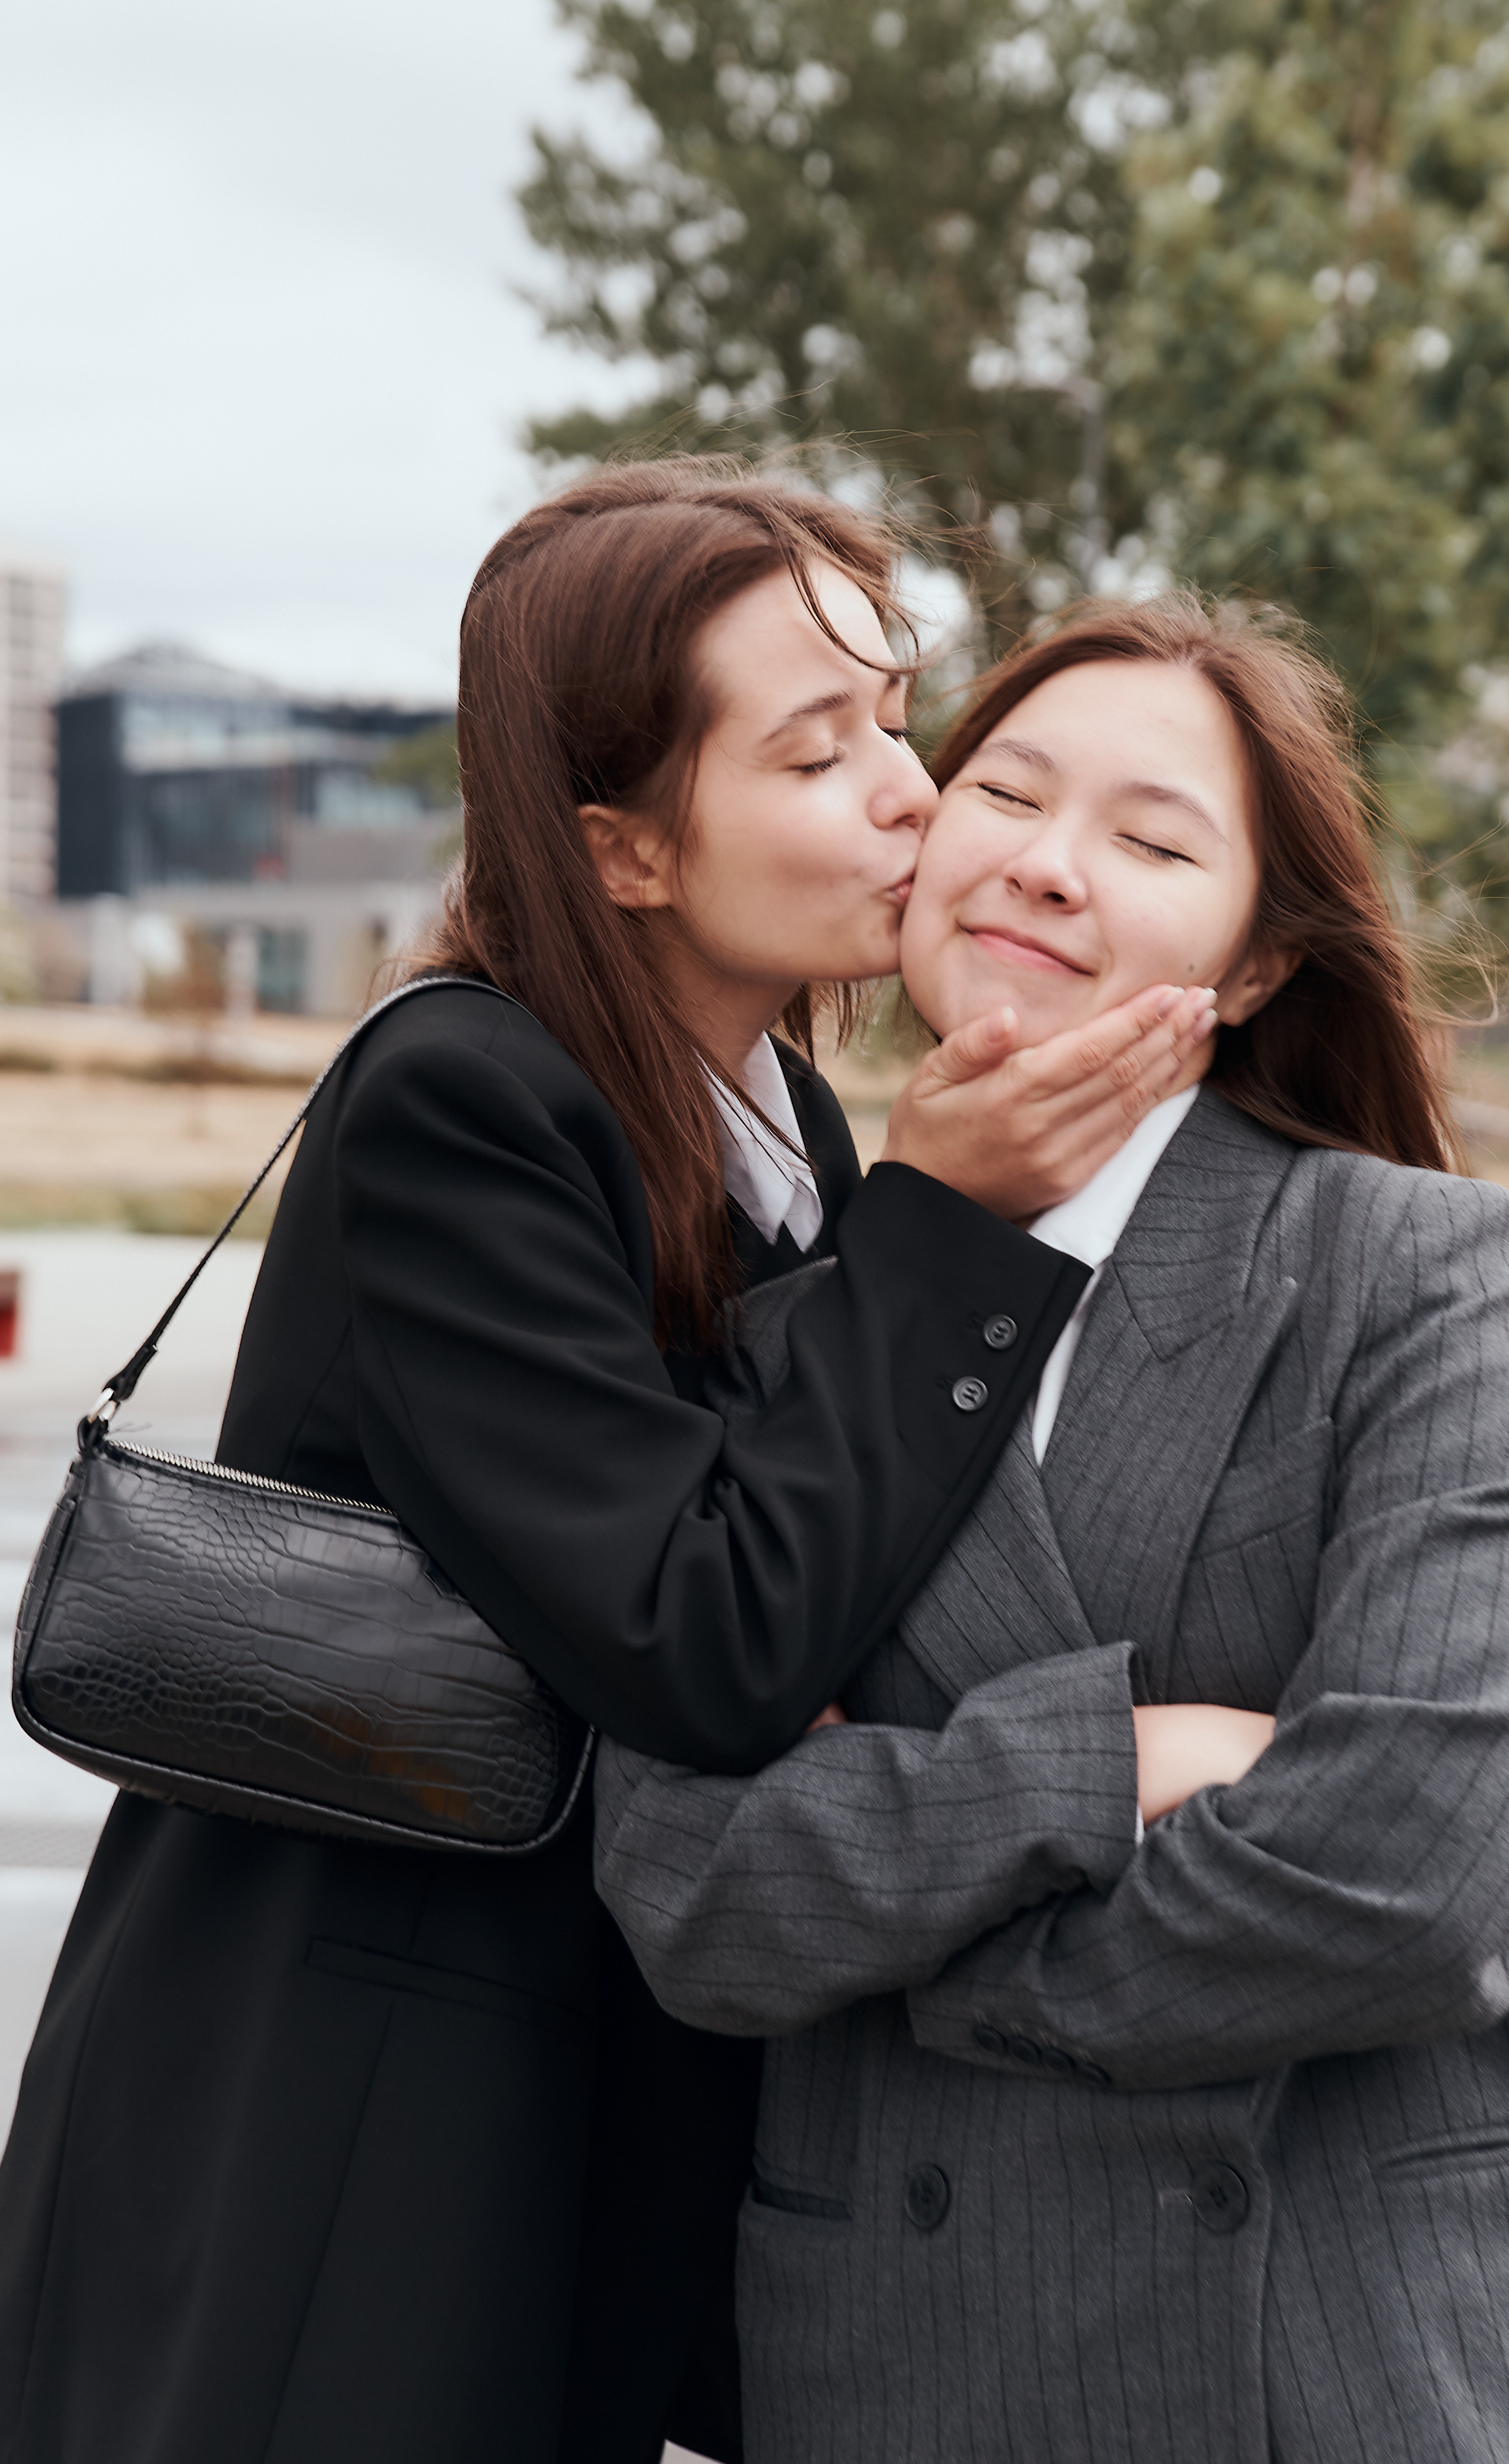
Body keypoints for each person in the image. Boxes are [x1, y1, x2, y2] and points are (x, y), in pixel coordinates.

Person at [0, 465, 1214, 2464]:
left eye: (896, 720)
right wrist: (937, 1224)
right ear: (623, 846)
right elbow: (703, 1637)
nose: (912, 793)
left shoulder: (790, 1133)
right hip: (347, 2113)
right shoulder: (464, 1098)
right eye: (821, 750)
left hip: (567, 2104)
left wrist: (1348, 1777)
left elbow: (861, 1569)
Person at [596, 593, 1509, 2463]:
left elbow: (1409, 1869)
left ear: (1248, 968)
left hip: (1361, 2343)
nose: (1050, 867)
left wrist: (917, 1954)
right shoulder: (758, 1331)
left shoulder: (1399, 1266)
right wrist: (1128, 1758)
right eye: (1006, 792)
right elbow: (700, 1893)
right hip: (919, 2362)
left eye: (1153, 840)